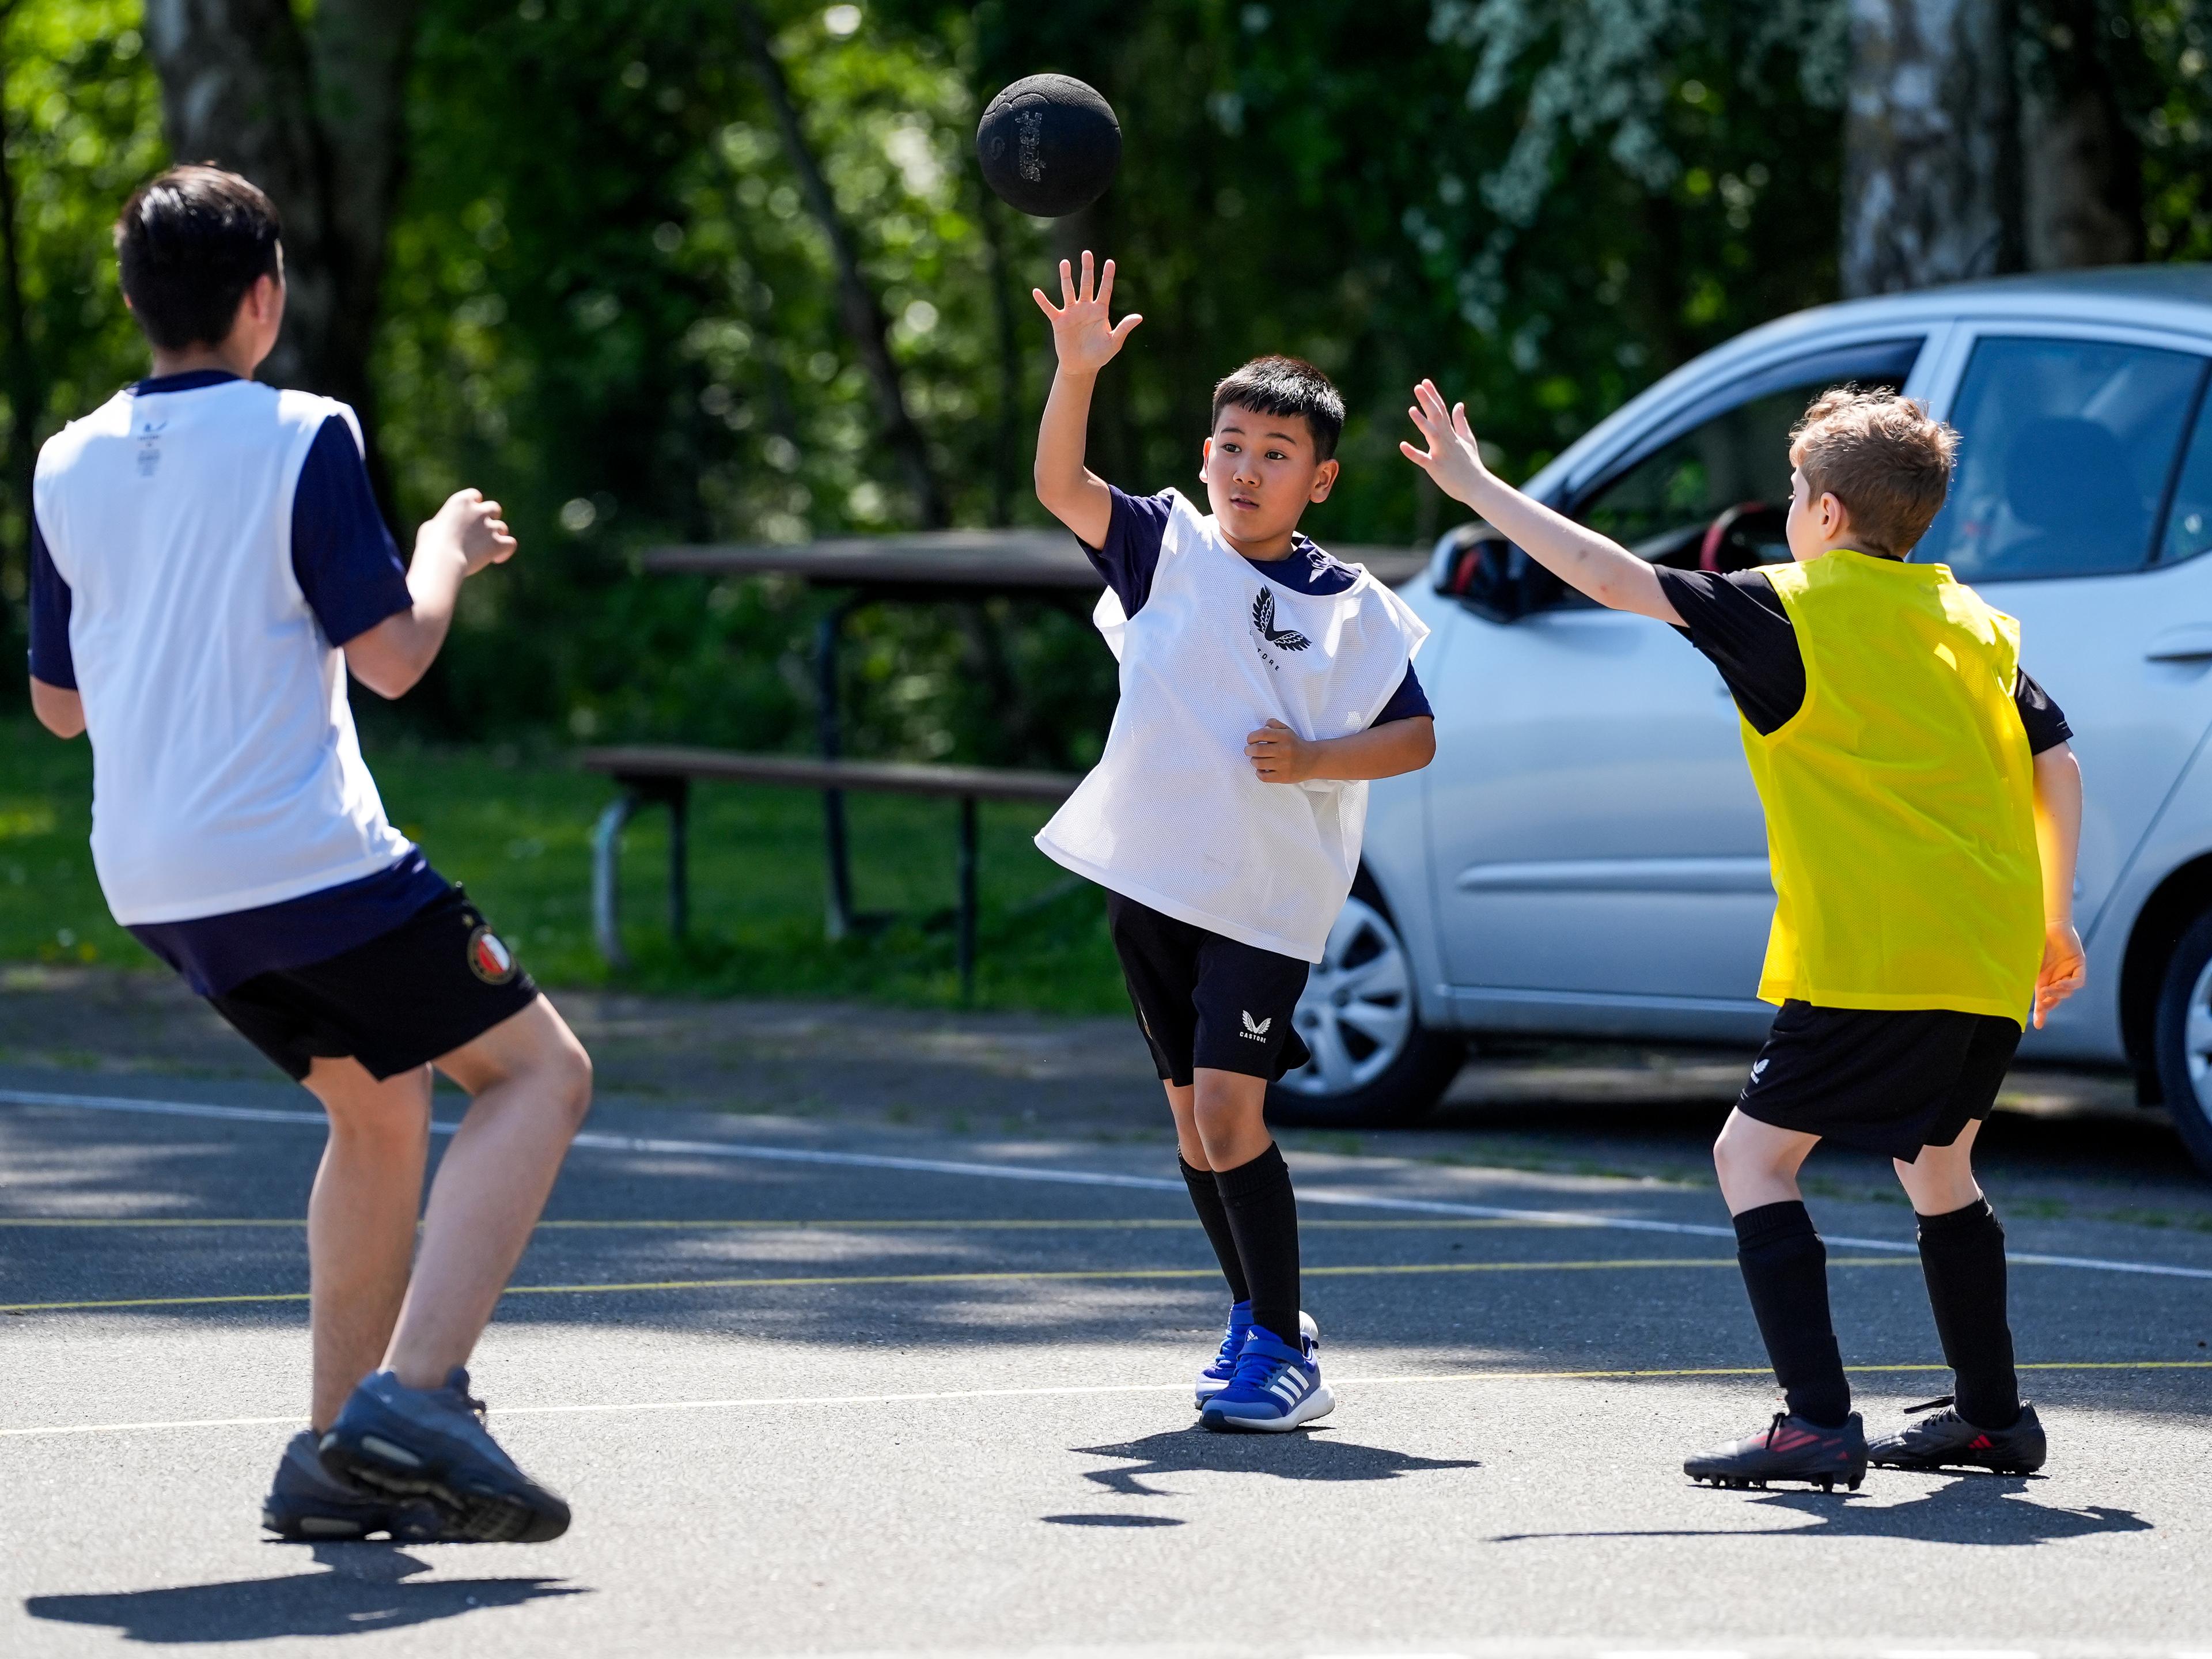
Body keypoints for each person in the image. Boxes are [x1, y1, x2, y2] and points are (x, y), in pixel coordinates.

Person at [27, 165, 591, 1541]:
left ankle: (343, 1458)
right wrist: (445, 547)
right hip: (298, 854)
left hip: (156, 879)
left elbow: (58, 705)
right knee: (539, 1076)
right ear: (264, 299)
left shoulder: (64, 459)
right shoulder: (303, 432)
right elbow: (395, 658)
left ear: (130, 297)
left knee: (380, 1104)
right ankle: (419, 1393)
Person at [1399, 379, 2085, 1488]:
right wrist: (2054, 917)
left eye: (1795, 491)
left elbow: (1612, 577)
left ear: (1818, 511)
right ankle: (1994, 1418)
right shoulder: (1973, 624)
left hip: (1875, 956)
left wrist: (1477, 487)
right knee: (1938, 1164)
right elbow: (2060, 764)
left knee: (1750, 1157)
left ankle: (1815, 1420)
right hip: (1989, 952)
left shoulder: (1789, 609)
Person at [1030, 253, 1437, 1431]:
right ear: (1206, 455)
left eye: (1276, 454)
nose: (1246, 469)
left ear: (1319, 480)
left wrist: (1314, 760)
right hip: (1153, 877)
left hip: (1264, 899)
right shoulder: (1165, 546)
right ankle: (1263, 1315)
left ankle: (1279, 1344)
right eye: (1231, 447)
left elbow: (1411, 741)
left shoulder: (1352, 607)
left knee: (1227, 1114)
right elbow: (1061, 482)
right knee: (1194, 1132)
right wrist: (1076, 371)